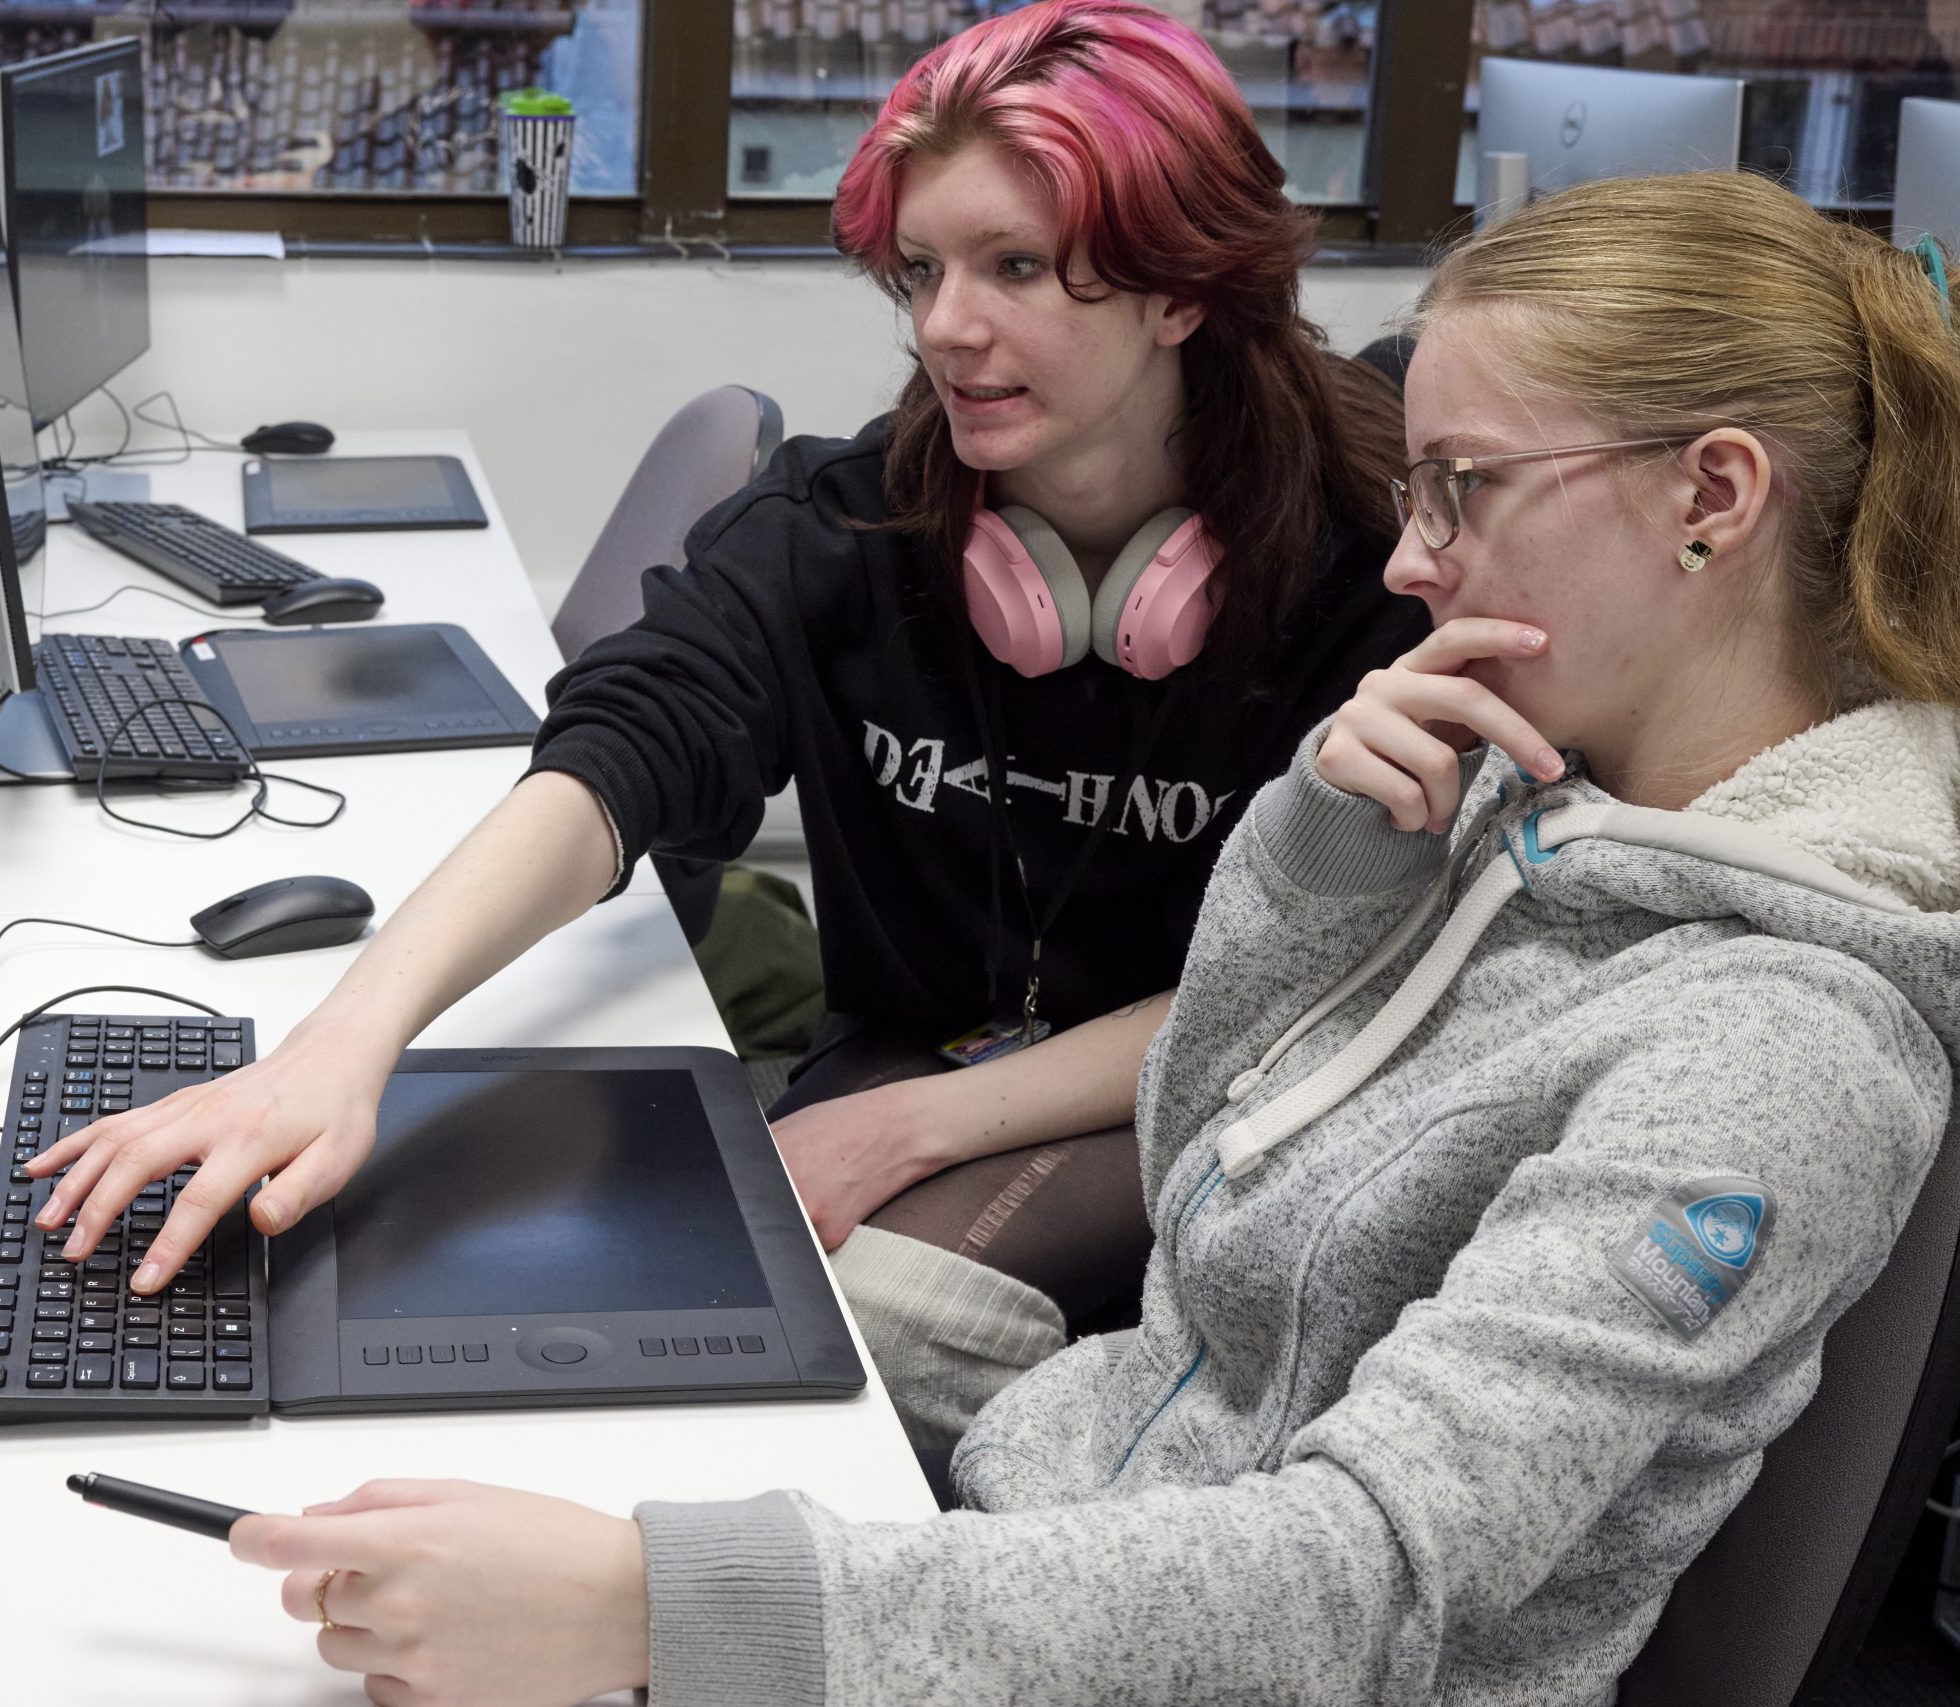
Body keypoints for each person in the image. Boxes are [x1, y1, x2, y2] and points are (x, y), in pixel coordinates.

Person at [207, 168, 1960, 1705]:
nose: (1413, 564)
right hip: (1083, 1531)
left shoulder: (1776, 1046)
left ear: (1713, 499)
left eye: (1463, 488)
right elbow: (1213, 1183)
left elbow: (1363, 1583)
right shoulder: (1546, 806)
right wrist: (1322, 853)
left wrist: (656, 1606)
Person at [31, 0, 1426, 1448]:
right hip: (915, 1053)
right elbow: (624, 750)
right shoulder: (853, 524)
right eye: (927, 268)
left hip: (1216, 1089)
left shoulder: (1375, 575)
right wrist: (345, 1041)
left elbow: (1317, 985)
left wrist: (913, 1126)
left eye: (1018, 268)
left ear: (1180, 288)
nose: (949, 327)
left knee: (858, 1335)